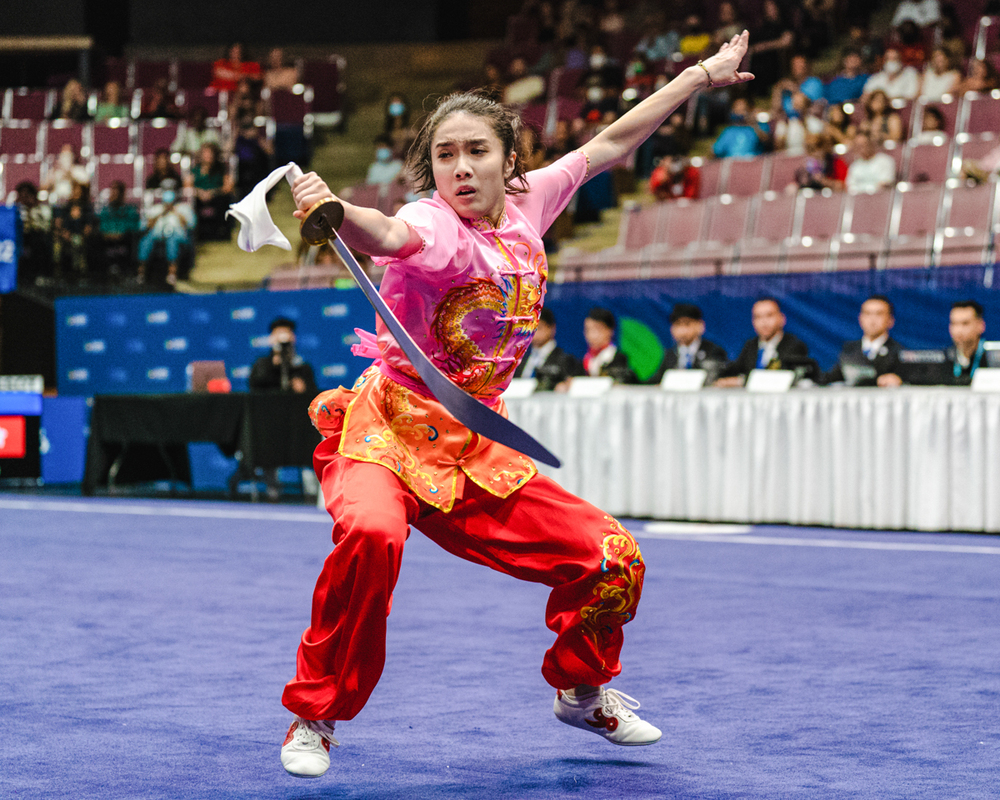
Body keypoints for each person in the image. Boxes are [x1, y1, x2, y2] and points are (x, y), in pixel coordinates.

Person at [278, 31, 755, 779]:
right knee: (372, 534)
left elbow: (611, 144)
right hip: (387, 432)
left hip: (474, 448)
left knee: (611, 556)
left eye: (477, 151)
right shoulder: (433, 223)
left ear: (509, 161)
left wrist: (699, 76)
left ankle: (581, 689)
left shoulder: (531, 203)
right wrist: (340, 210)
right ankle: (315, 715)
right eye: (445, 155)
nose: (461, 167)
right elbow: (391, 232)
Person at [715, 297, 810, 385]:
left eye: (769, 315)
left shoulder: (794, 345)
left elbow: (782, 376)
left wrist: (742, 381)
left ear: (782, 319)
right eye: (758, 317)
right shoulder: (751, 345)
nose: (764, 322)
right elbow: (735, 370)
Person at [821, 295, 904, 386]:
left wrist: (898, 380)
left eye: (878, 314)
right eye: (867, 313)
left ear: (890, 320)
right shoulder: (849, 350)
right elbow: (831, 378)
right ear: (860, 318)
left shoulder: (900, 353)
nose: (872, 320)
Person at [648, 303, 728, 384]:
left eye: (687, 324)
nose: (682, 330)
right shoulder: (670, 355)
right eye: (677, 324)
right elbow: (657, 380)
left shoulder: (713, 351)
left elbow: (717, 379)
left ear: (700, 325)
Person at [512, 306, 583, 391]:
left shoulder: (566, 361)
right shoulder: (519, 362)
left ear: (552, 328)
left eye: (538, 328)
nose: (533, 333)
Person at [137, 188, 194, 286]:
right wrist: (161, 213)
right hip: (157, 236)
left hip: (176, 236)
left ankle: (172, 275)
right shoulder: (156, 209)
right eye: (166, 203)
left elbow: (190, 225)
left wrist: (175, 212)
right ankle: (141, 273)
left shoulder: (182, 208)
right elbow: (145, 225)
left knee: (172, 241)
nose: (168, 205)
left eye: (170, 202)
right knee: (146, 241)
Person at [249, 317, 318, 395]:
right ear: (271, 339)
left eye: (286, 334)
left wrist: (303, 389)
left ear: (293, 338)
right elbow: (255, 390)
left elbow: (313, 393)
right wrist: (273, 366)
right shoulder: (261, 365)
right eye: (278, 334)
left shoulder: (303, 367)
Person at [185, 142, 234, 241]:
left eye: (210, 153)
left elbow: (228, 187)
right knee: (191, 202)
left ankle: (222, 232)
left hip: (217, 198)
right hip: (199, 198)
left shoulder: (221, 169)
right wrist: (199, 192)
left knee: (225, 200)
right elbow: (187, 186)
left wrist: (212, 192)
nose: (208, 156)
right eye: (205, 153)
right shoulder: (195, 170)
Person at [98, 180, 141, 281]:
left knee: (133, 237)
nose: (114, 194)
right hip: (107, 239)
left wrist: (120, 233)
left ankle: (130, 271)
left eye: (117, 191)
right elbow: (102, 225)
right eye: (113, 191)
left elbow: (133, 225)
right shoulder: (105, 210)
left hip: (125, 239)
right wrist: (109, 233)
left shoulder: (130, 210)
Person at [582, 307, 637, 383]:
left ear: (610, 331)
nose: (591, 335)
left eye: (597, 329)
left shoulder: (619, 360)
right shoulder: (584, 362)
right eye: (587, 330)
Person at [944, 300, 987, 385]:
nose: (958, 330)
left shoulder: (992, 359)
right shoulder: (944, 360)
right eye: (954, 323)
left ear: (981, 325)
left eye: (965, 323)